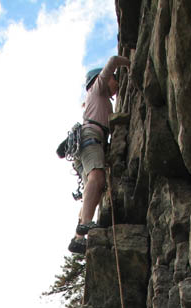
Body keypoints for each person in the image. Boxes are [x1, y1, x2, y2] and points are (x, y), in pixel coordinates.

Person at [68, 54, 131, 254]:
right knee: (97, 177)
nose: (116, 83)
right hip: (91, 138)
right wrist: (130, 63)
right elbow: (112, 60)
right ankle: (85, 223)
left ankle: (78, 238)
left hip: (86, 143)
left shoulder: (99, 101)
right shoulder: (97, 89)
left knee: (92, 189)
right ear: (101, 79)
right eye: (114, 79)